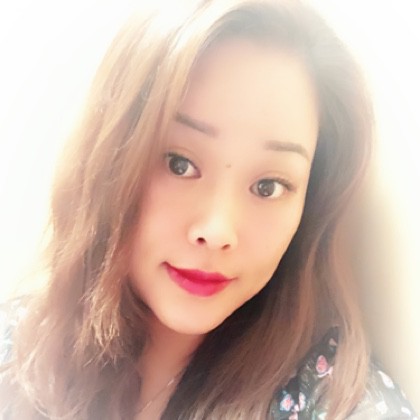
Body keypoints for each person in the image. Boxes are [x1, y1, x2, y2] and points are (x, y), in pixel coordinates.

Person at [0, 0, 417, 419]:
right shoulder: (20, 346)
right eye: (179, 164)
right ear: (109, 158)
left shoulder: (340, 402)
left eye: (269, 186)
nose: (218, 231)